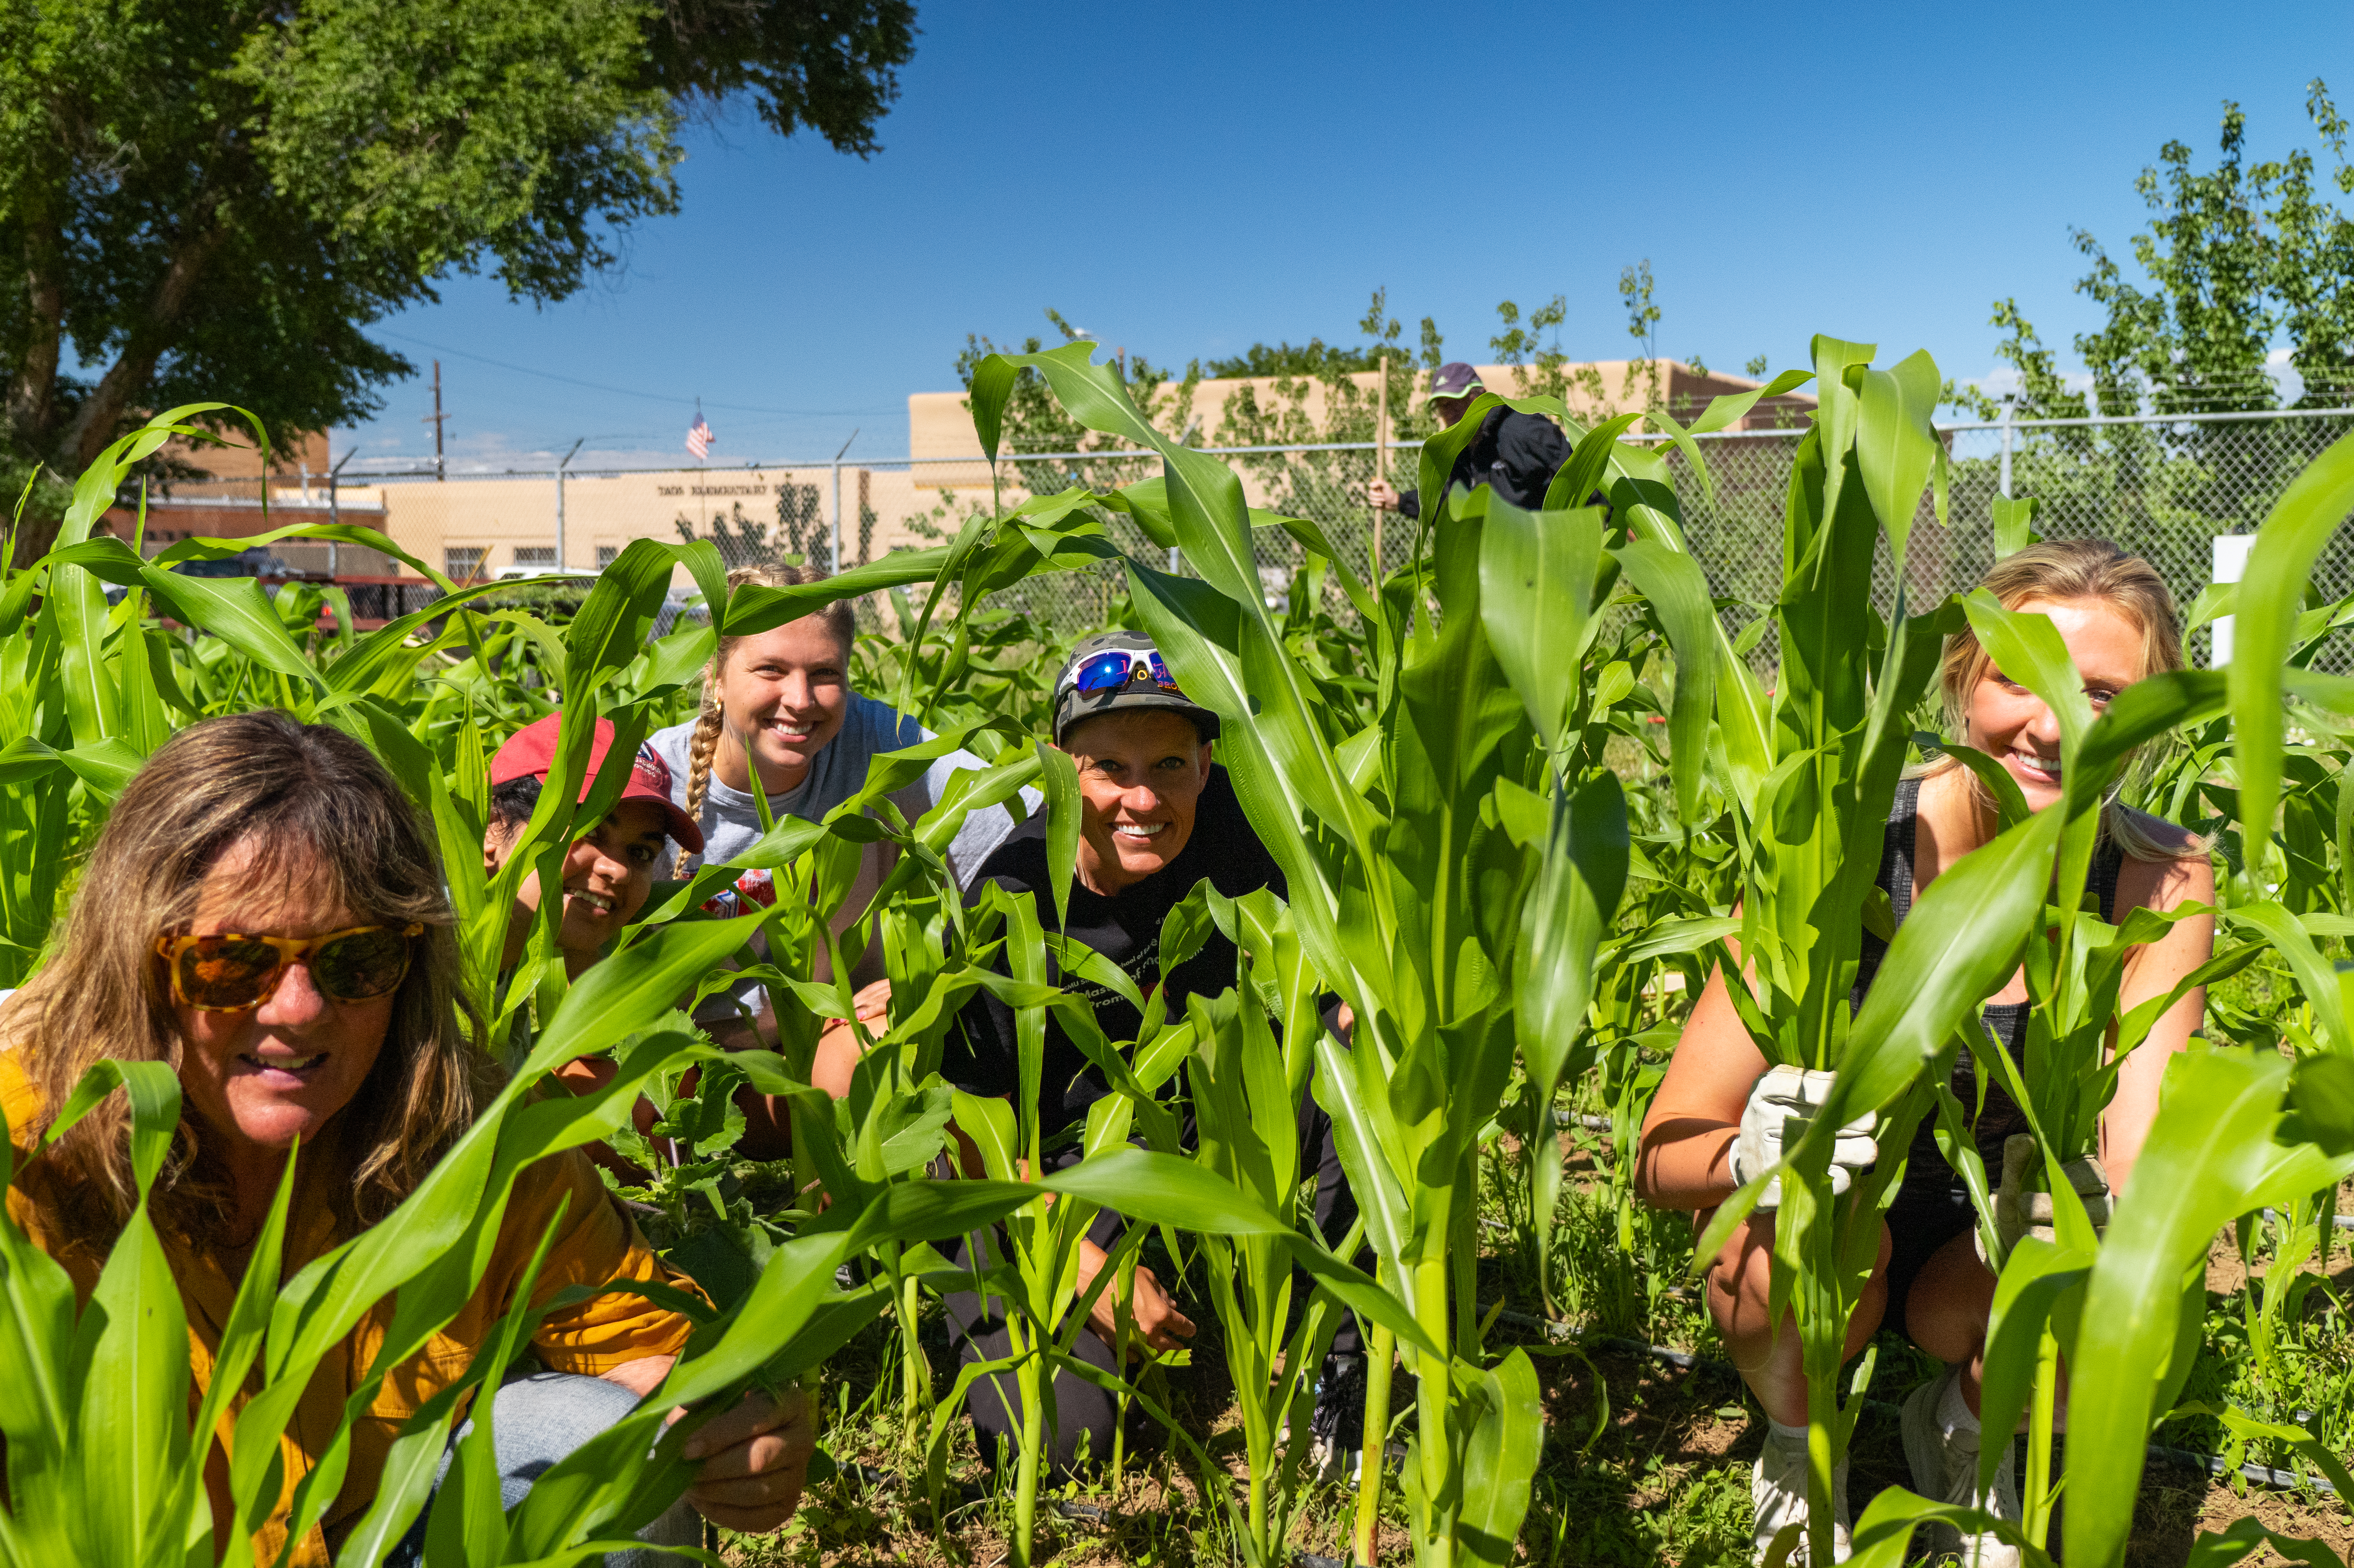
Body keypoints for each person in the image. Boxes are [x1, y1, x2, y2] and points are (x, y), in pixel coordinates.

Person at [0, 711, 816, 1566]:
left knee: (602, 1446)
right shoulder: (30, 1158)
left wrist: (734, 1421)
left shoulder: (461, 1141)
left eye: (356, 962)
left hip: (371, 1540)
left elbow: (644, 1338)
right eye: (232, 959)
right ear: (136, 958)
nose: (298, 1010)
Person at [1633, 541, 2216, 1568]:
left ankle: (1964, 1433)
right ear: (1960, 674)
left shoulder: (2156, 879)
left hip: (1987, 1258)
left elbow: (2138, 1153)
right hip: (1831, 1236)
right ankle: (1798, 1444)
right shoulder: (1848, 842)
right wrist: (1748, 1157)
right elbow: (1659, 1154)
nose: (2053, 721)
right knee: (1768, 1249)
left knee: (2112, 1271)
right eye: (2018, 676)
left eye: (2102, 693)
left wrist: (2096, 1214)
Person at [932, 632, 1367, 1478]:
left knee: (1355, 1060)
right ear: (1062, 768)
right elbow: (963, 1117)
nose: (1141, 798)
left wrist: (1354, 1016)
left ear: (1206, 766)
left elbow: (1336, 963)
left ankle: (1341, 1359)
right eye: (1108, 768)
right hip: (1048, 1175)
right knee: (1062, 1441)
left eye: (1169, 766)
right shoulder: (1010, 900)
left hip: (1203, 1131)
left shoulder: (1238, 827)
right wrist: (1079, 1258)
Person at [645, 564, 1032, 1077]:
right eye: (771, 670)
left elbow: (1024, 828)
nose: (801, 700)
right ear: (716, 677)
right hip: (680, 1062)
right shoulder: (655, 778)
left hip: (829, 1045)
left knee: (873, 1045)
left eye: (825, 673)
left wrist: (938, 969)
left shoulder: (876, 743)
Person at [1363, 360, 1569, 519]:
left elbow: (1579, 481)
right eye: (1443, 406)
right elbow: (1449, 504)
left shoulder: (1523, 431)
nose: (1450, 413)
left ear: (1480, 396)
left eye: (1456, 402)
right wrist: (1398, 502)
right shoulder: (1459, 450)